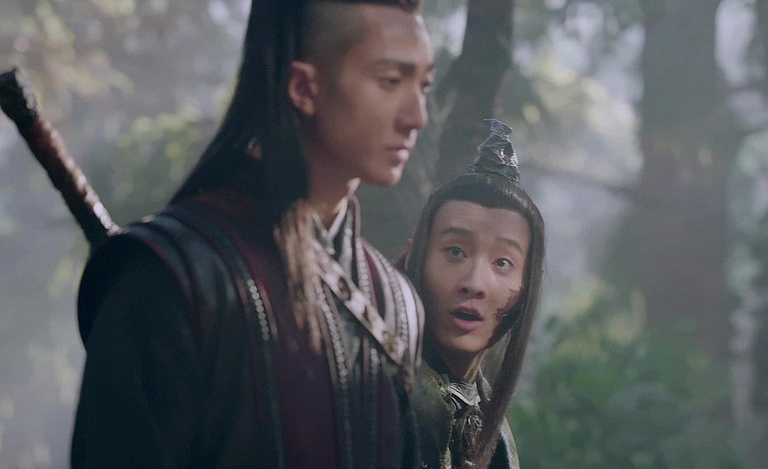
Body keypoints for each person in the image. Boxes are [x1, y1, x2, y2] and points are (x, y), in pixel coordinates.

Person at [70, 1, 434, 467]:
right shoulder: (169, 278)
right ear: (303, 87)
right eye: (391, 81)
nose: (417, 116)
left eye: (423, 85)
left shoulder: (397, 306)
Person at [396, 119, 545, 468]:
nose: (475, 283)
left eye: (502, 262)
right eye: (455, 252)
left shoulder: (490, 416)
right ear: (414, 256)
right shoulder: (379, 395)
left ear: (528, 286)